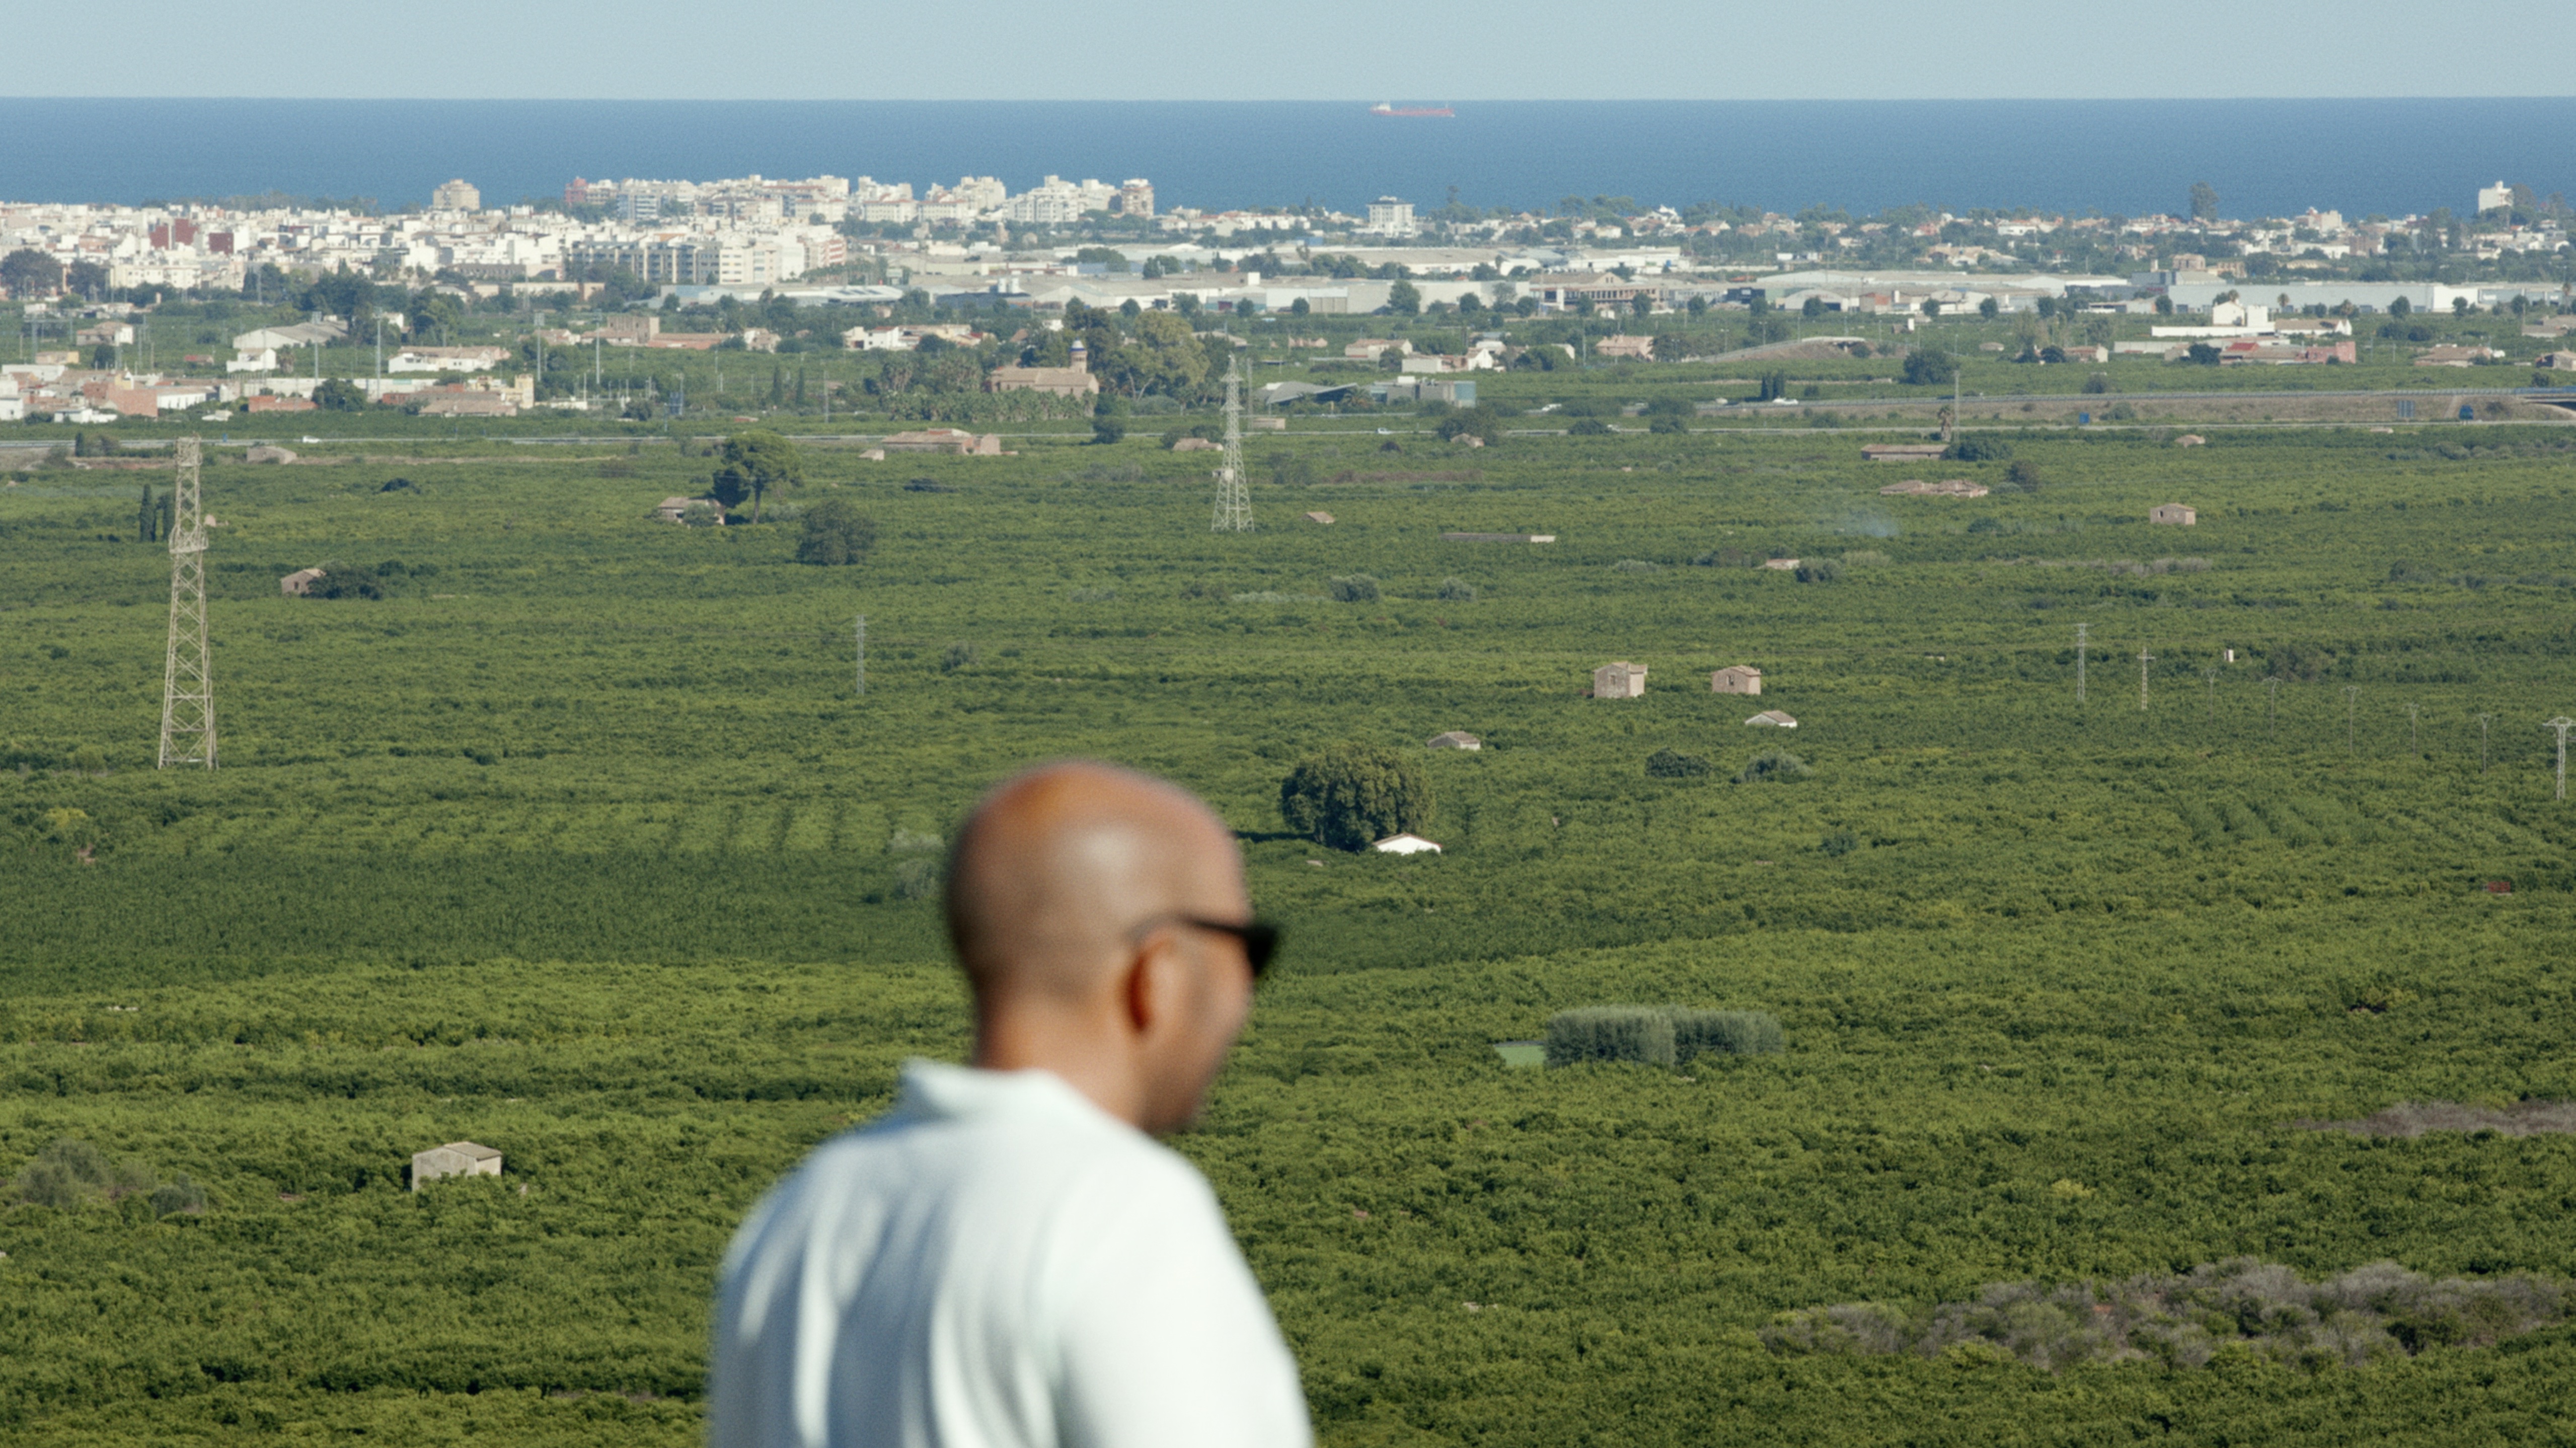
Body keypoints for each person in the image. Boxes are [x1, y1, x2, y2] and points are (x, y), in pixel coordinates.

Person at [709, 761, 1310, 1448]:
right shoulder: (1120, 1214)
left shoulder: (798, 1215)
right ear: (1159, 973)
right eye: (1250, 955)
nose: (1248, 998)